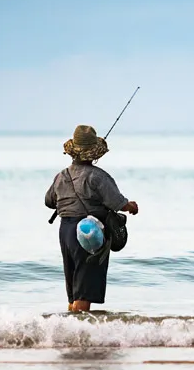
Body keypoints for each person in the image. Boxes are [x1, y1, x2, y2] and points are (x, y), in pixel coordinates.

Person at [44, 124, 139, 313]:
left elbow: (49, 201)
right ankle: (81, 338)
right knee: (85, 291)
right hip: (89, 231)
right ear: (94, 154)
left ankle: (71, 334)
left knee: (74, 289)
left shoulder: (61, 176)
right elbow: (117, 203)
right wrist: (132, 206)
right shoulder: (98, 177)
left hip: (66, 231)